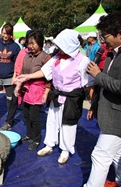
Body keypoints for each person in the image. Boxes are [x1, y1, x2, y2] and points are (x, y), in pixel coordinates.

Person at [15, 29, 92, 164]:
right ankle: (49, 144)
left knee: (67, 125)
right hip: (57, 95)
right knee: (52, 120)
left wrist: (93, 104)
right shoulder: (56, 58)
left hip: (71, 98)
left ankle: (65, 150)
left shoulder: (82, 60)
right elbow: (44, 72)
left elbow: (89, 83)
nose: (58, 48)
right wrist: (27, 76)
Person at [81, 11, 121, 187]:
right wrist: (95, 104)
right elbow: (106, 83)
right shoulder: (113, 53)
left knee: (100, 155)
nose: (103, 41)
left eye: (105, 36)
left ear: (120, 33)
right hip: (110, 112)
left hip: (117, 117)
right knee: (118, 154)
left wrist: (97, 75)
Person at [3, 30, 51, 151]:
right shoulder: (27, 55)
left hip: (38, 90)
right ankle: (29, 134)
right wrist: (18, 85)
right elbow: (23, 73)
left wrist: (46, 92)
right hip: (26, 89)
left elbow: (49, 77)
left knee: (35, 116)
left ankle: (36, 138)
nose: (31, 46)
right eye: (29, 43)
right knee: (27, 114)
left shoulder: (45, 57)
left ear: (40, 43)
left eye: (34, 43)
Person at [0, 22, 20, 127]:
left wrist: (15, 76)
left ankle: (10, 120)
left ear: (11, 34)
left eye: (7, 34)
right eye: (4, 33)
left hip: (9, 77)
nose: (5, 36)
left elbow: (17, 63)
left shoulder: (15, 47)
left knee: (10, 99)